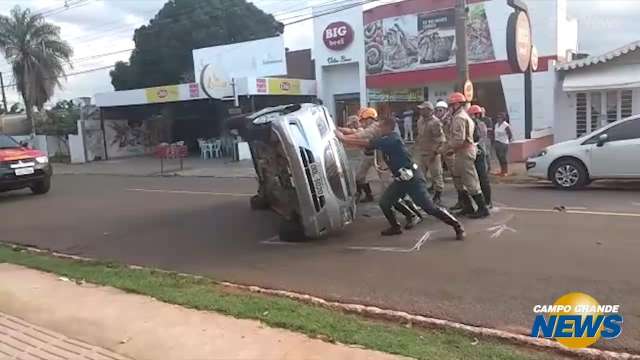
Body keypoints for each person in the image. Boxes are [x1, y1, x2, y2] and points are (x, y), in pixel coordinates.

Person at [335, 113, 465, 240]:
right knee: (385, 202)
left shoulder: (392, 139)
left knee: (429, 207)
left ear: (387, 127)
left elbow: (366, 142)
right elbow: (362, 138)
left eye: (380, 126)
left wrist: (343, 138)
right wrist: (344, 136)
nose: (378, 128)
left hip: (413, 179)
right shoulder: (385, 138)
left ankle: (457, 226)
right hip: (401, 179)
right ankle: (395, 227)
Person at [444, 92, 490, 219]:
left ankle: (482, 208)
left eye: (451, 105)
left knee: (470, 181)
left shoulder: (459, 118)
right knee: (460, 180)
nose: (449, 107)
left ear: (457, 104)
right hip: (462, 151)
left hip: (464, 151)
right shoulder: (461, 116)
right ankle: (467, 206)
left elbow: (458, 139)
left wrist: (447, 148)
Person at [415, 101, 445, 206]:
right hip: (422, 152)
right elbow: (419, 135)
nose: (421, 111)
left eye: (423, 109)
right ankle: (423, 196)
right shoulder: (420, 121)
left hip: (433, 153)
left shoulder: (435, 122)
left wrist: (436, 152)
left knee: (436, 175)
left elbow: (441, 139)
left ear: (429, 110)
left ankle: (438, 196)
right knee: (420, 175)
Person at [468, 105, 492, 208]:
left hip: (478, 151)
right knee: (481, 178)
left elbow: (476, 139)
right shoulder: (480, 124)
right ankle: (486, 201)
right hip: (481, 151)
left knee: (482, 178)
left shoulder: (477, 124)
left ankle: (486, 202)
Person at [493, 112, 513, 176]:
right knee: (498, 157)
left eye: (500, 117)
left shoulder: (506, 125)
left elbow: (510, 135)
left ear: (503, 118)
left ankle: (505, 171)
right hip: (497, 142)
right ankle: (502, 170)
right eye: (498, 117)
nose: (498, 119)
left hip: (503, 143)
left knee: (503, 157)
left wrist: (507, 141)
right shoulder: (496, 125)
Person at [479, 107, 494, 172]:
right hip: (480, 138)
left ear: (484, 112)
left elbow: (491, 128)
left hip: (487, 138)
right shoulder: (478, 119)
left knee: (487, 153)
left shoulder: (488, 119)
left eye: (482, 111)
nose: (480, 113)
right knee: (482, 153)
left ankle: (489, 167)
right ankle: (483, 167)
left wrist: (483, 129)